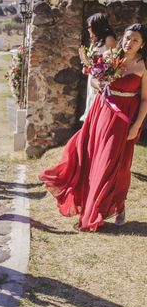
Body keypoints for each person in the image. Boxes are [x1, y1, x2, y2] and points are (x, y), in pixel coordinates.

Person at [40, 24, 147, 232]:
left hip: (124, 120)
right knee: (94, 160)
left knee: (116, 165)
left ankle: (118, 206)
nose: (129, 43)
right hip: (101, 114)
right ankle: (92, 210)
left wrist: (136, 126)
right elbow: (94, 83)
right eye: (127, 38)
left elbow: (144, 100)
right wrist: (101, 83)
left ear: (142, 44)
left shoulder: (143, 67)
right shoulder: (109, 57)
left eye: (135, 40)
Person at [79, 14, 117, 121]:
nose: (88, 29)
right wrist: (85, 61)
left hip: (102, 79)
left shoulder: (109, 39)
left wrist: (88, 63)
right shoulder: (95, 41)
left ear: (97, 25)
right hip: (93, 78)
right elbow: (91, 63)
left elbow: (111, 62)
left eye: (90, 27)